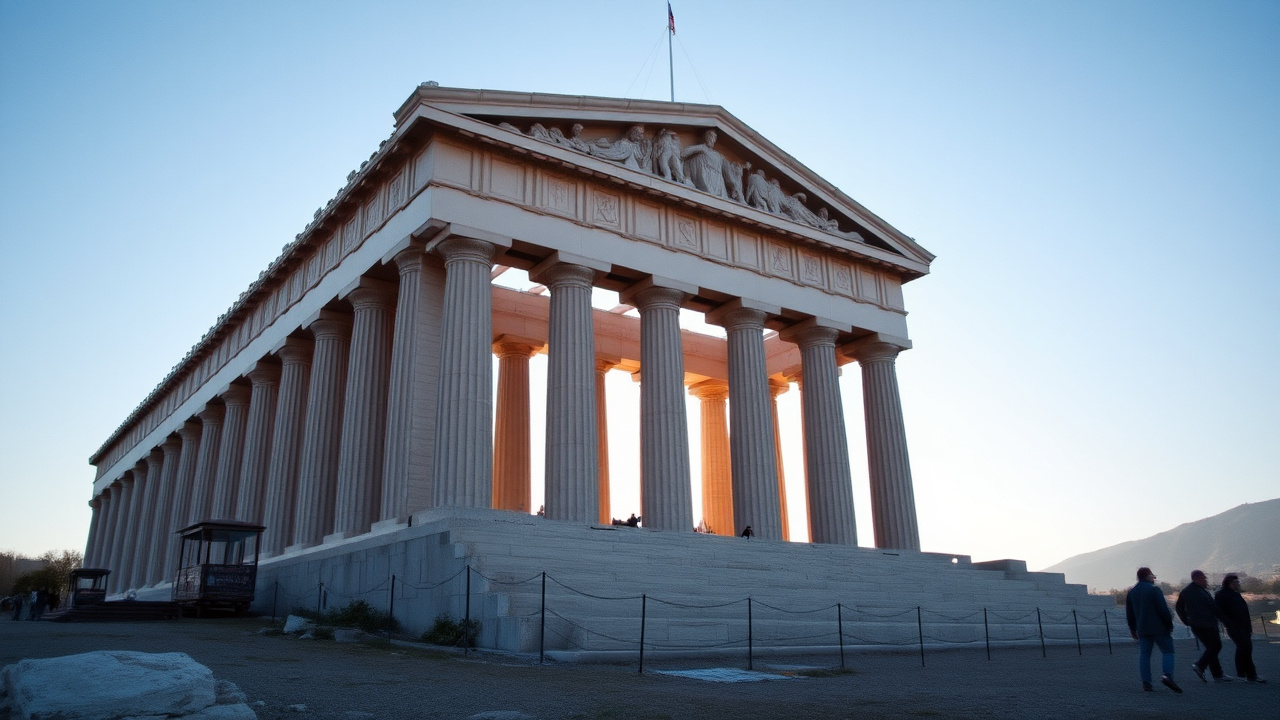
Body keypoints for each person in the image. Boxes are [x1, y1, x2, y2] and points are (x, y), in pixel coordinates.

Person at [1126, 567, 1182, 693]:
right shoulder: (1154, 590)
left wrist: (1132, 628)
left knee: (1144, 655)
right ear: (1147, 576)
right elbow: (1163, 609)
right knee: (1168, 651)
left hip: (1142, 628)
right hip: (1159, 627)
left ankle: (1146, 683)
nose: (1154, 578)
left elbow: (1130, 613)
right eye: (1152, 576)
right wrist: (1169, 624)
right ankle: (1167, 676)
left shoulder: (1132, 592)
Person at [1175, 570, 1230, 682]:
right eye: (1204, 578)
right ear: (1197, 579)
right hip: (1206, 624)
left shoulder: (1188, 591)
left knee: (1211, 648)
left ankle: (1217, 674)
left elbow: (1178, 607)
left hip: (1198, 624)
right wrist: (1225, 621)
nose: (1206, 580)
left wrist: (1186, 620)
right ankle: (1200, 666)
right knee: (1215, 646)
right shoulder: (1199, 592)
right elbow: (1213, 607)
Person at [1216, 573, 1267, 683]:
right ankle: (1249, 675)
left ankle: (1245, 674)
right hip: (1234, 627)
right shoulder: (1221, 595)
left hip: (1244, 626)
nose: (1238, 583)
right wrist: (1229, 624)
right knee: (1244, 648)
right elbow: (1219, 612)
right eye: (1236, 582)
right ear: (1229, 582)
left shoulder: (1236, 595)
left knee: (1245, 649)